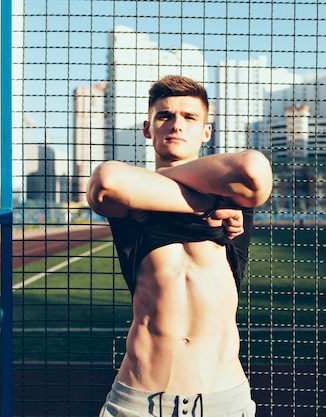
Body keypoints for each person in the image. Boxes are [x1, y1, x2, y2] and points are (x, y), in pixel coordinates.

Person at [87, 75, 273, 417]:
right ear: (148, 128)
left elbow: (254, 171)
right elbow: (105, 183)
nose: (176, 124)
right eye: (165, 116)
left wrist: (170, 183)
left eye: (189, 117)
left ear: (206, 131)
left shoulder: (232, 194)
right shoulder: (136, 202)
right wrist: (208, 207)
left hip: (222, 401)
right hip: (139, 401)